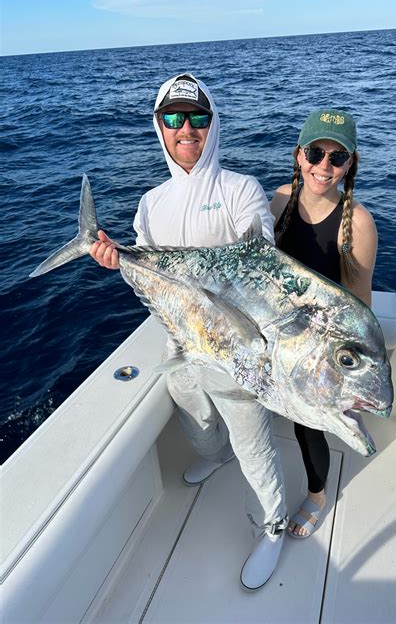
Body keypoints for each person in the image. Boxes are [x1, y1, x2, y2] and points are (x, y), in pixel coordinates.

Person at [89, 73, 288, 590]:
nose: (186, 129)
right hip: (179, 343)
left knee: (254, 443)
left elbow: (259, 250)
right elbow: (147, 273)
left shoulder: (240, 189)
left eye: (197, 118)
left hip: (233, 352)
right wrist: (117, 261)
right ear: (159, 128)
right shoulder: (150, 203)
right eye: (172, 118)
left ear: (212, 124)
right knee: (194, 419)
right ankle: (212, 455)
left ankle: (273, 526)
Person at [270, 108, 377, 538]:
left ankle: (317, 495)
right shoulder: (279, 201)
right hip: (282, 326)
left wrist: (345, 376)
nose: (324, 166)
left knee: (307, 421)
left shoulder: (360, 225)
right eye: (316, 153)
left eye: (337, 158)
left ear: (349, 164)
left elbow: (359, 309)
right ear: (299, 155)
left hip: (323, 340)